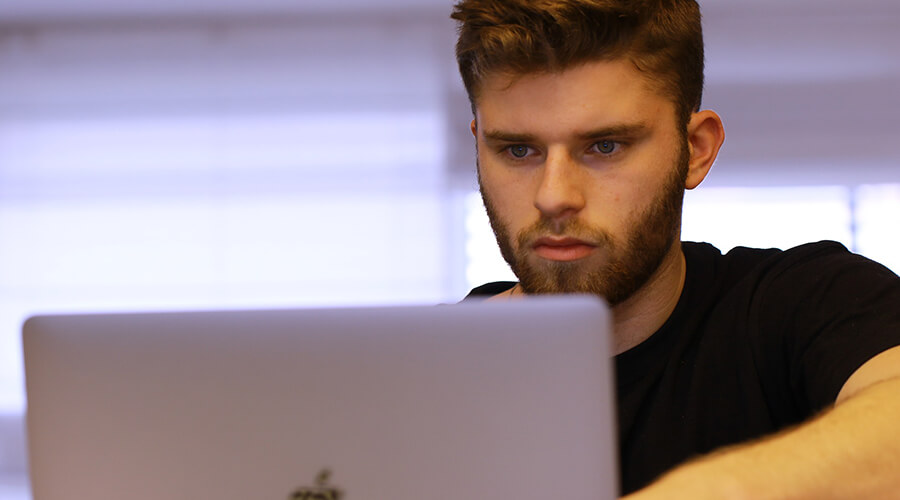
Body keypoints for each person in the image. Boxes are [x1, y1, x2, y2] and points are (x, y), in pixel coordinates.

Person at [451, 0, 900, 498]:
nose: (554, 196)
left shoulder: (804, 302)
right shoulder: (422, 368)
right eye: (518, 150)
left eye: (605, 146)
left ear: (696, 149)